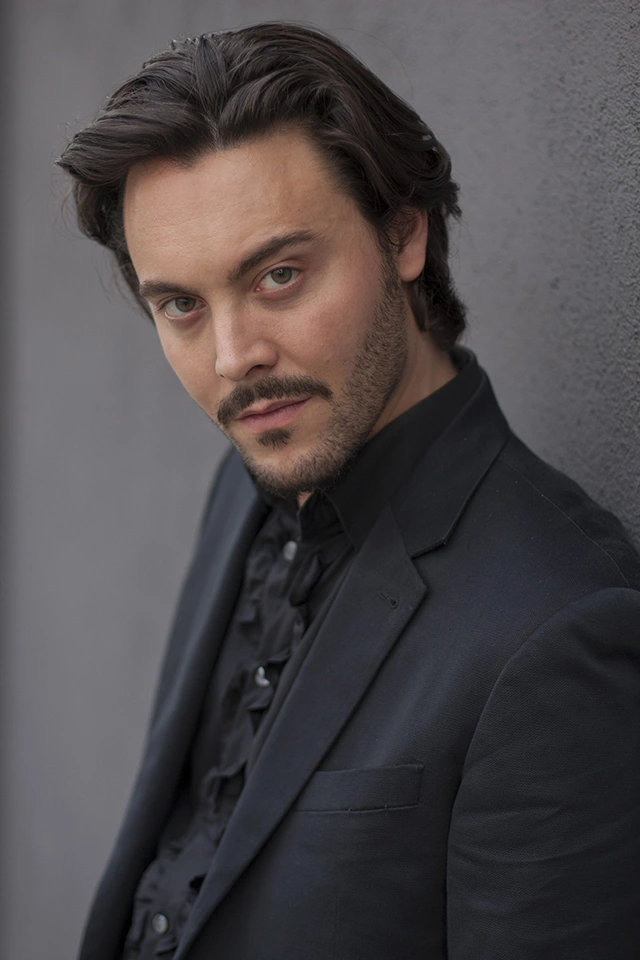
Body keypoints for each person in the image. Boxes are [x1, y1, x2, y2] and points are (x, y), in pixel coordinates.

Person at [58, 22, 640, 960]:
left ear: (402, 232)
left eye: (279, 275)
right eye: (182, 305)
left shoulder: (562, 625)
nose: (233, 358)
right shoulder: (247, 481)